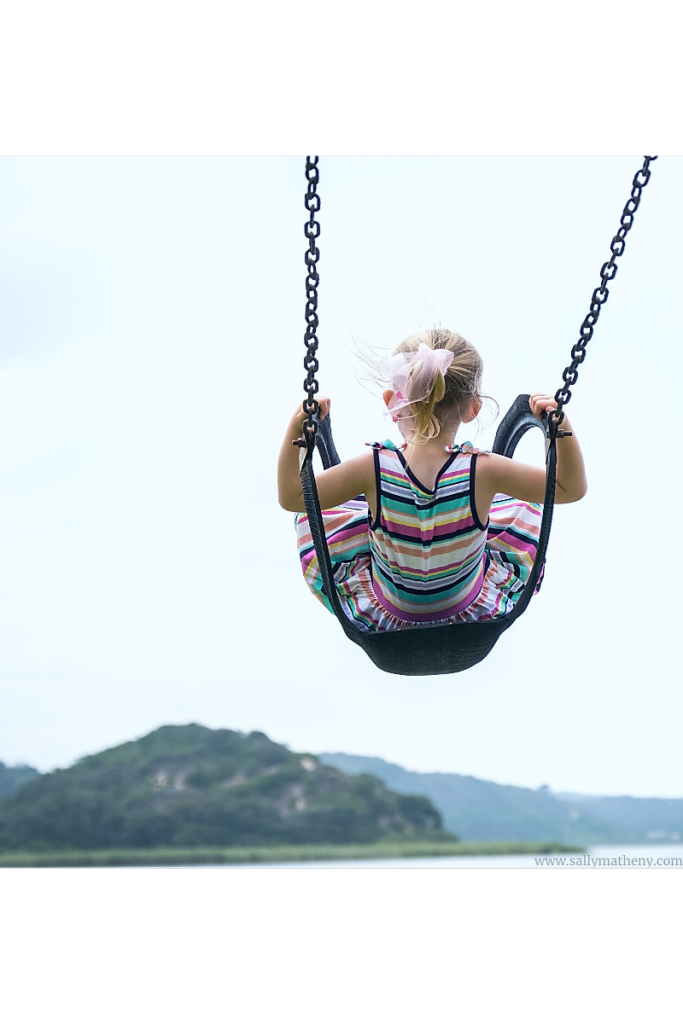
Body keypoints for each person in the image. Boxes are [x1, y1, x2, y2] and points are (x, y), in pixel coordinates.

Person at [278, 329, 587, 632]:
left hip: (384, 611)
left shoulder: (371, 467)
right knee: (517, 504)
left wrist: (297, 429)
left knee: (347, 512)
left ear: (391, 402)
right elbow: (569, 488)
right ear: (473, 409)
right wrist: (558, 425)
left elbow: (292, 497)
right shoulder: (485, 469)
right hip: (471, 607)